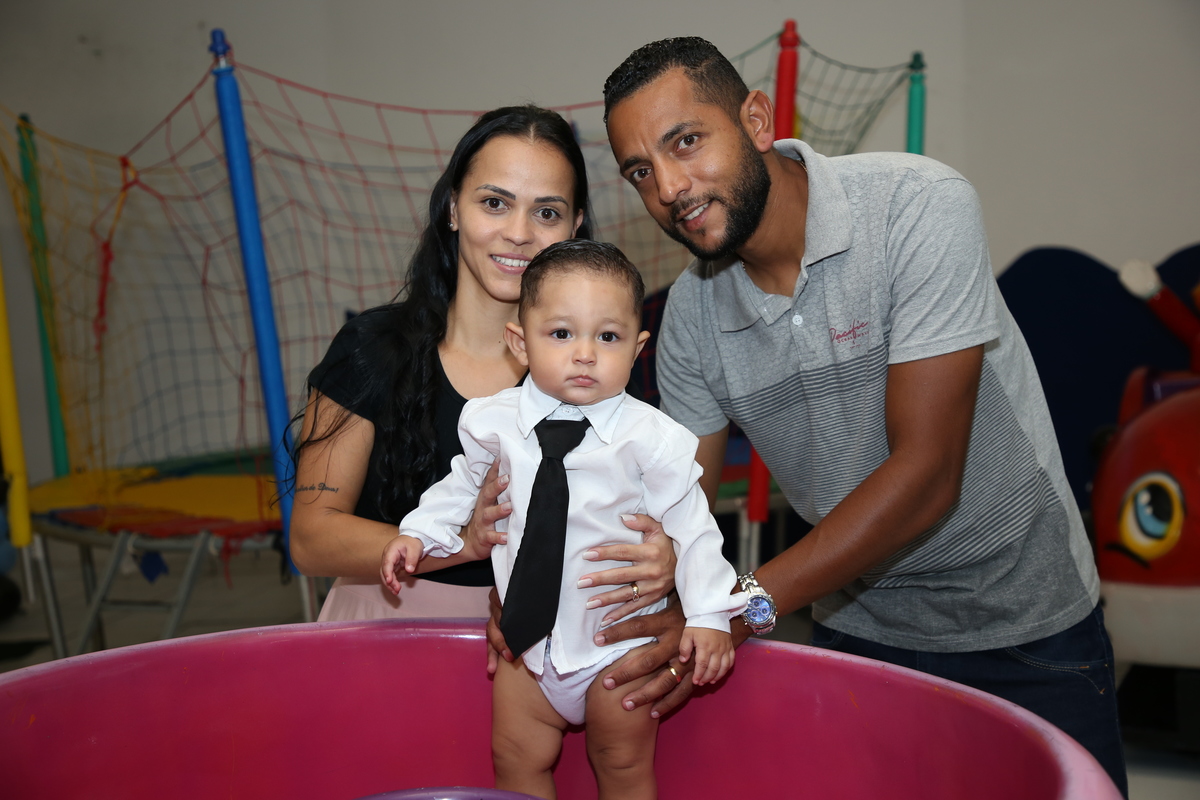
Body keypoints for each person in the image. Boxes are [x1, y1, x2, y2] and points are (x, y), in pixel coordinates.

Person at [587, 36, 1128, 795]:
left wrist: (732, 607)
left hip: (1024, 622)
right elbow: (681, 513)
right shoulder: (690, 319)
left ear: (755, 120)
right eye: (641, 171)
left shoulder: (917, 206)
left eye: (686, 142)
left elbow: (926, 478)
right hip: (861, 629)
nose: (670, 186)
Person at [383, 239, 745, 800]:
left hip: (616, 644)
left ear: (637, 348)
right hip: (527, 649)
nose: (584, 354)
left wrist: (709, 614)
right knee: (514, 757)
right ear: (519, 342)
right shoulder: (492, 421)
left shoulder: (652, 439)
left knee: (621, 764)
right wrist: (418, 533)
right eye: (560, 333)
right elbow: (461, 485)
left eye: (608, 337)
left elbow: (693, 526)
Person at [291, 105, 676, 628]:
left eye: (546, 213)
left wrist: (667, 552)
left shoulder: (594, 371)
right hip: (380, 633)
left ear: (575, 226)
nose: (518, 233)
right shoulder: (372, 348)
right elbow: (311, 539)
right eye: (495, 203)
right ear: (453, 208)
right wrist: (458, 543)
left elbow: (647, 516)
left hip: (544, 647)